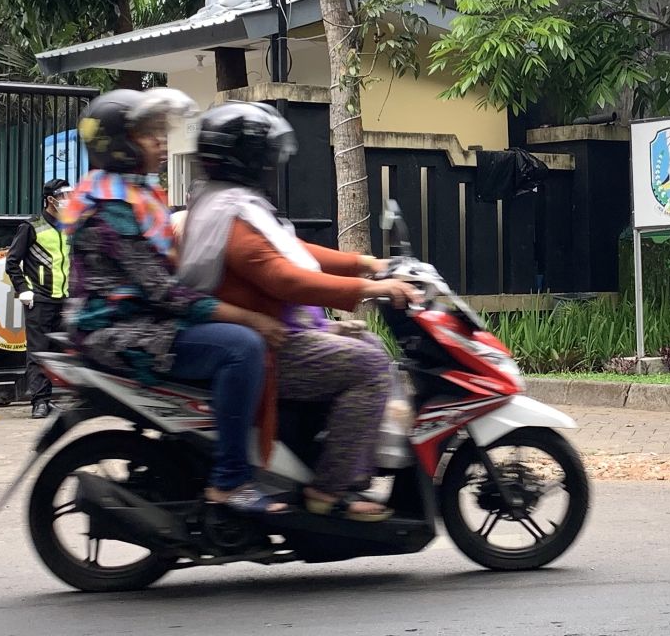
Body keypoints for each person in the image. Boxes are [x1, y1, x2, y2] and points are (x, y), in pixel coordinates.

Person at [179, 102, 420, 522]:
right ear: (249, 158)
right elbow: (283, 277)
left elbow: (293, 250)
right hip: (271, 344)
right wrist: (370, 286)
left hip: (276, 329)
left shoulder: (226, 202)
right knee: (368, 366)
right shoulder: (228, 215)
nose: (273, 163)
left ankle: (335, 460)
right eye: (266, 154)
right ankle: (330, 491)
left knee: (368, 342)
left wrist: (365, 262)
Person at [62, 89, 289, 515]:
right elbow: (166, 293)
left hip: (139, 320)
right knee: (242, 348)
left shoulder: (132, 194)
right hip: (119, 331)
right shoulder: (110, 209)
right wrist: (252, 319)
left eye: (160, 133)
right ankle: (230, 481)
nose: (161, 143)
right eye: (149, 134)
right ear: (119, 145)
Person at [6, 178, 73, 418]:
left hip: (64, 298)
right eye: (63, 196)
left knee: (61, 350)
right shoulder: (31, 226)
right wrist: (23, 288)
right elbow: (12, 261)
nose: (67, 201)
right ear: (50, 200)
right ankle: (40, 402)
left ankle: (57, 397)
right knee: (38, 351)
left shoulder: (70, 226)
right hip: (40, 299)